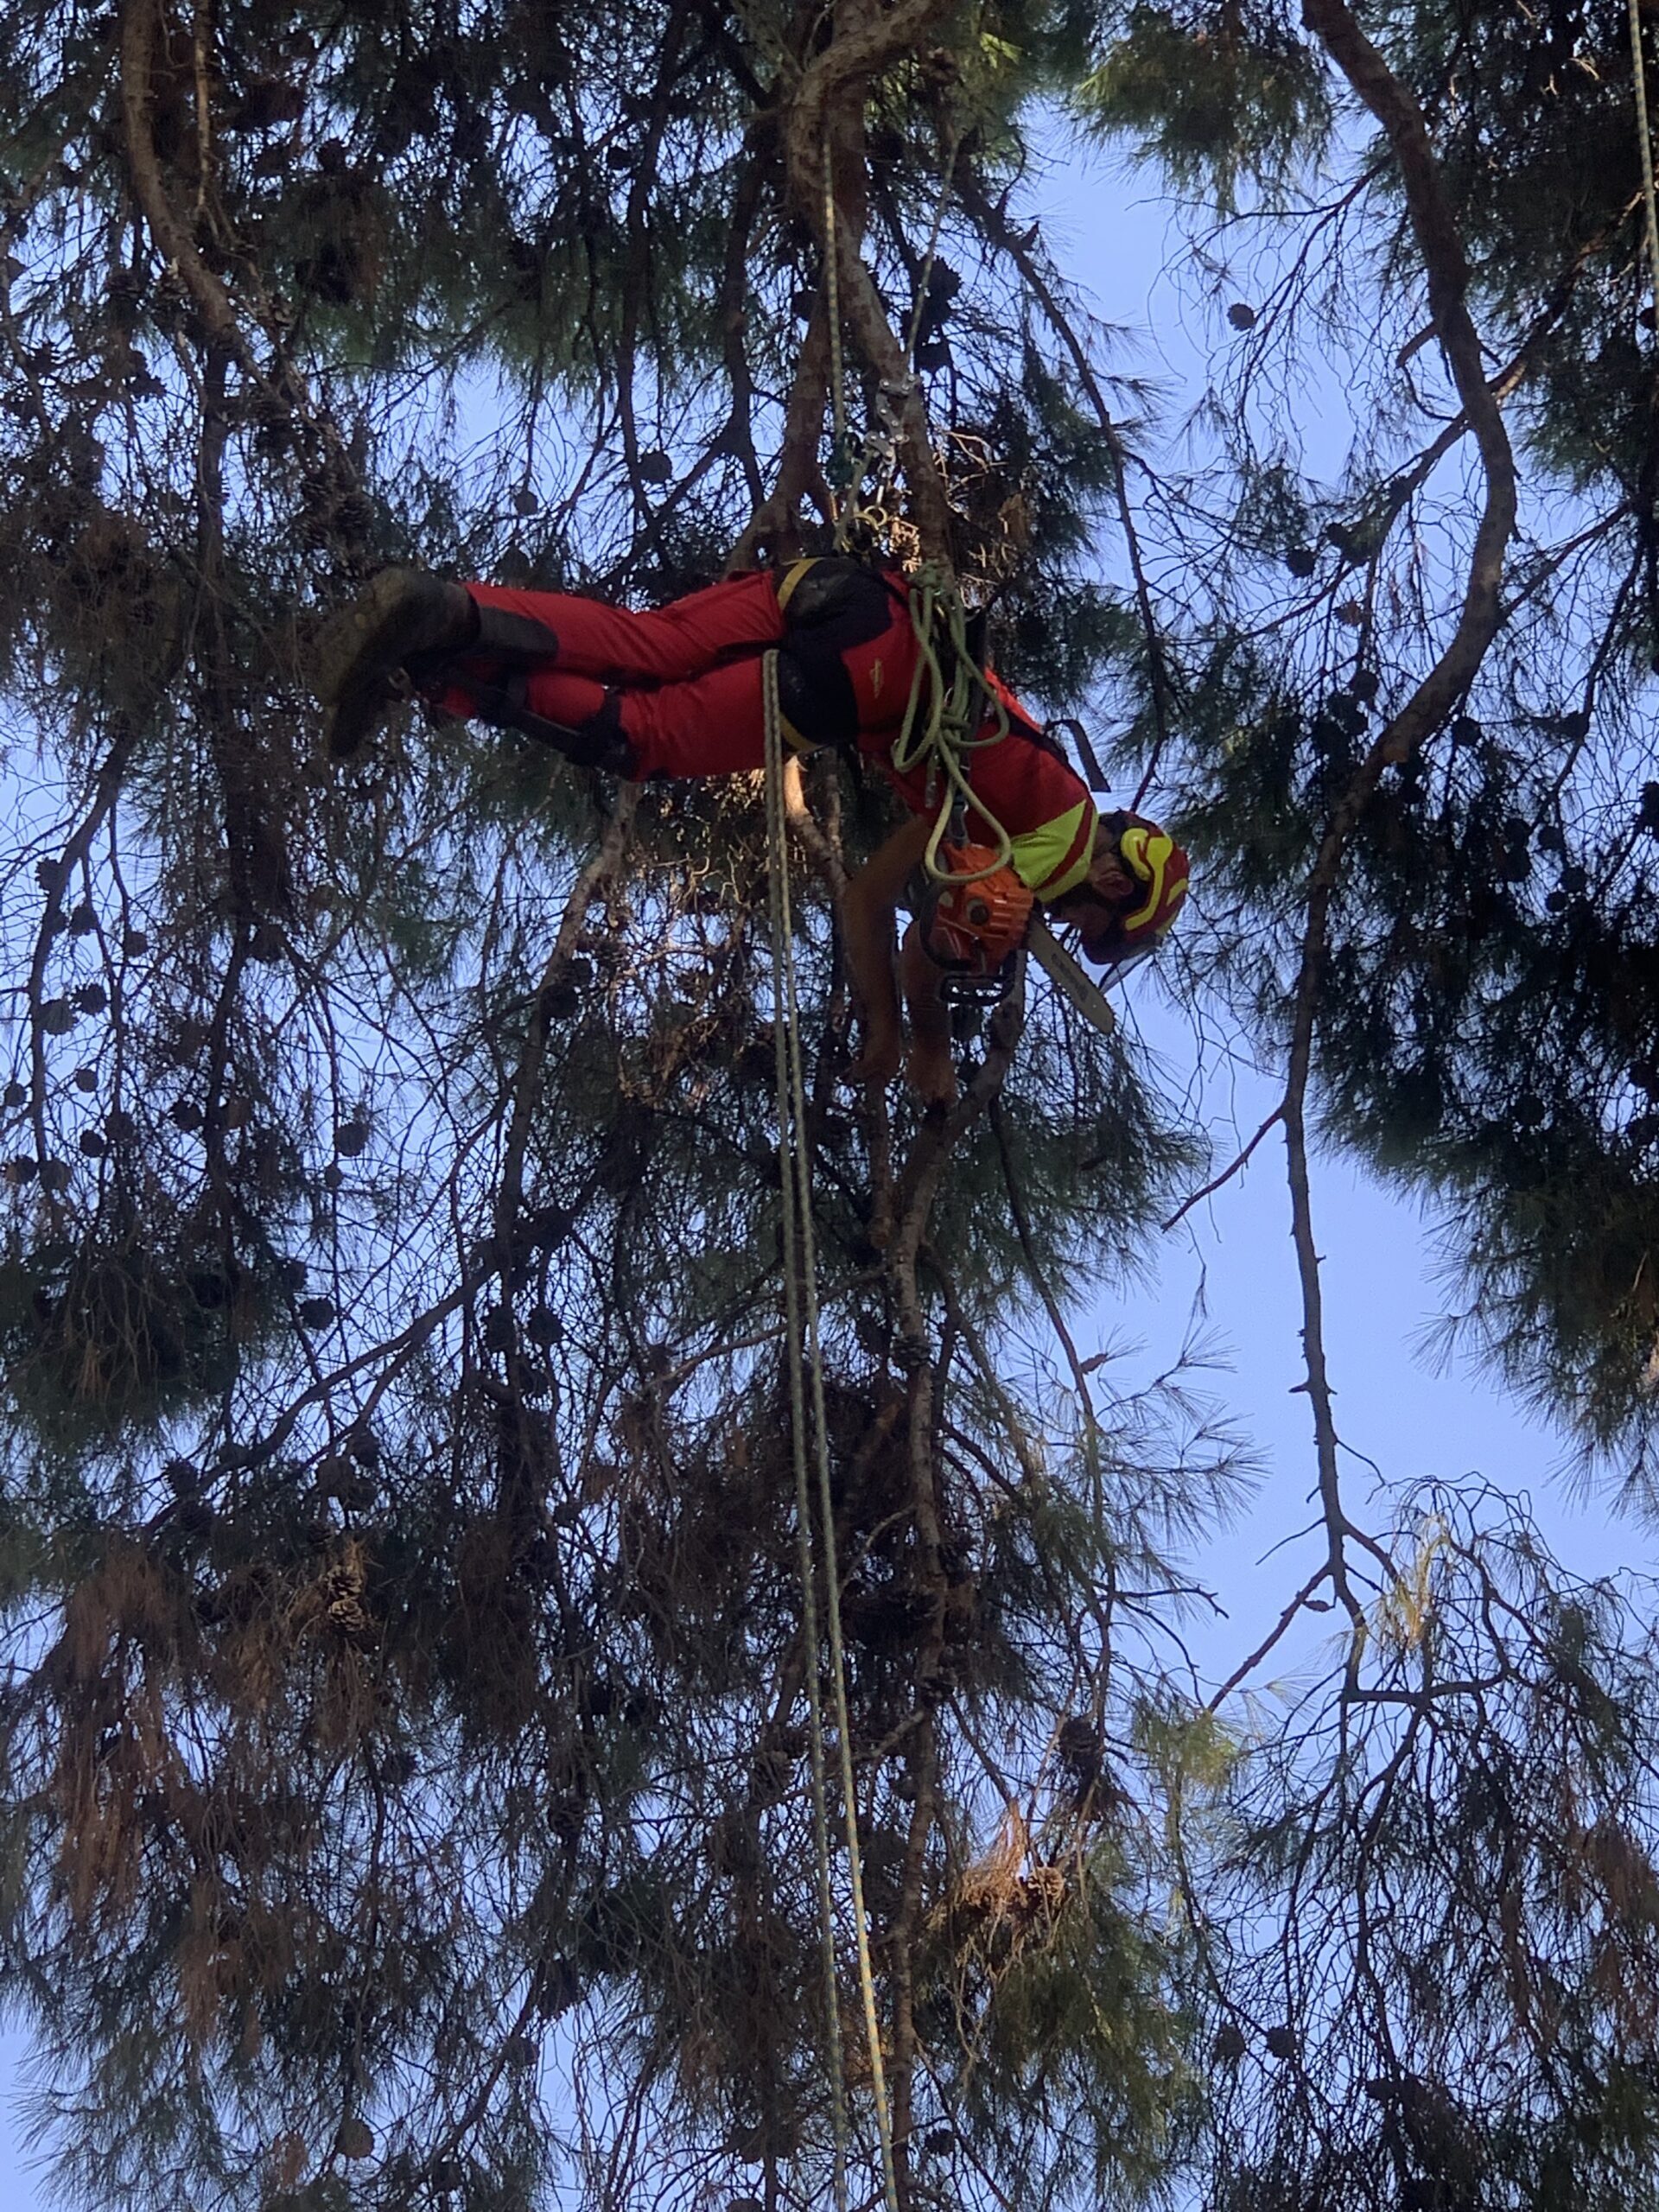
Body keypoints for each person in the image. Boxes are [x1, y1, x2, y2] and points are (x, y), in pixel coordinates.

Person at [315, 558, 1189, 1101]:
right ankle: (436, 674)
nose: (1070, 926)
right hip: (878, 677)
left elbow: (865, 900)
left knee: (644, 644)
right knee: (652, 735)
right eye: (1092, 924)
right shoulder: (1061, 837)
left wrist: (884, 1028)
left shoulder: (1006, 793)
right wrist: (921, 1039)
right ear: (1117, 884)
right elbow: (935, 939)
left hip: (849, 594)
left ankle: (441, 613)